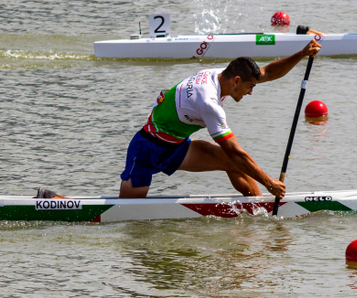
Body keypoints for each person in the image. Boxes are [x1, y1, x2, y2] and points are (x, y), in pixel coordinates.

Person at [120, 40, 322, 199]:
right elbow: (234, 151)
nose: (251, 92)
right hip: (147, 149)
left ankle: (259, 210)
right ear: (237, 81)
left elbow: (267, 72)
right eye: (250, 86)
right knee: (128, 216)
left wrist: (302, 54)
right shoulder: (209, 102)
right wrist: (270, 183)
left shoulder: (221, 75)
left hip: (178, 147)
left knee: (234, 163)